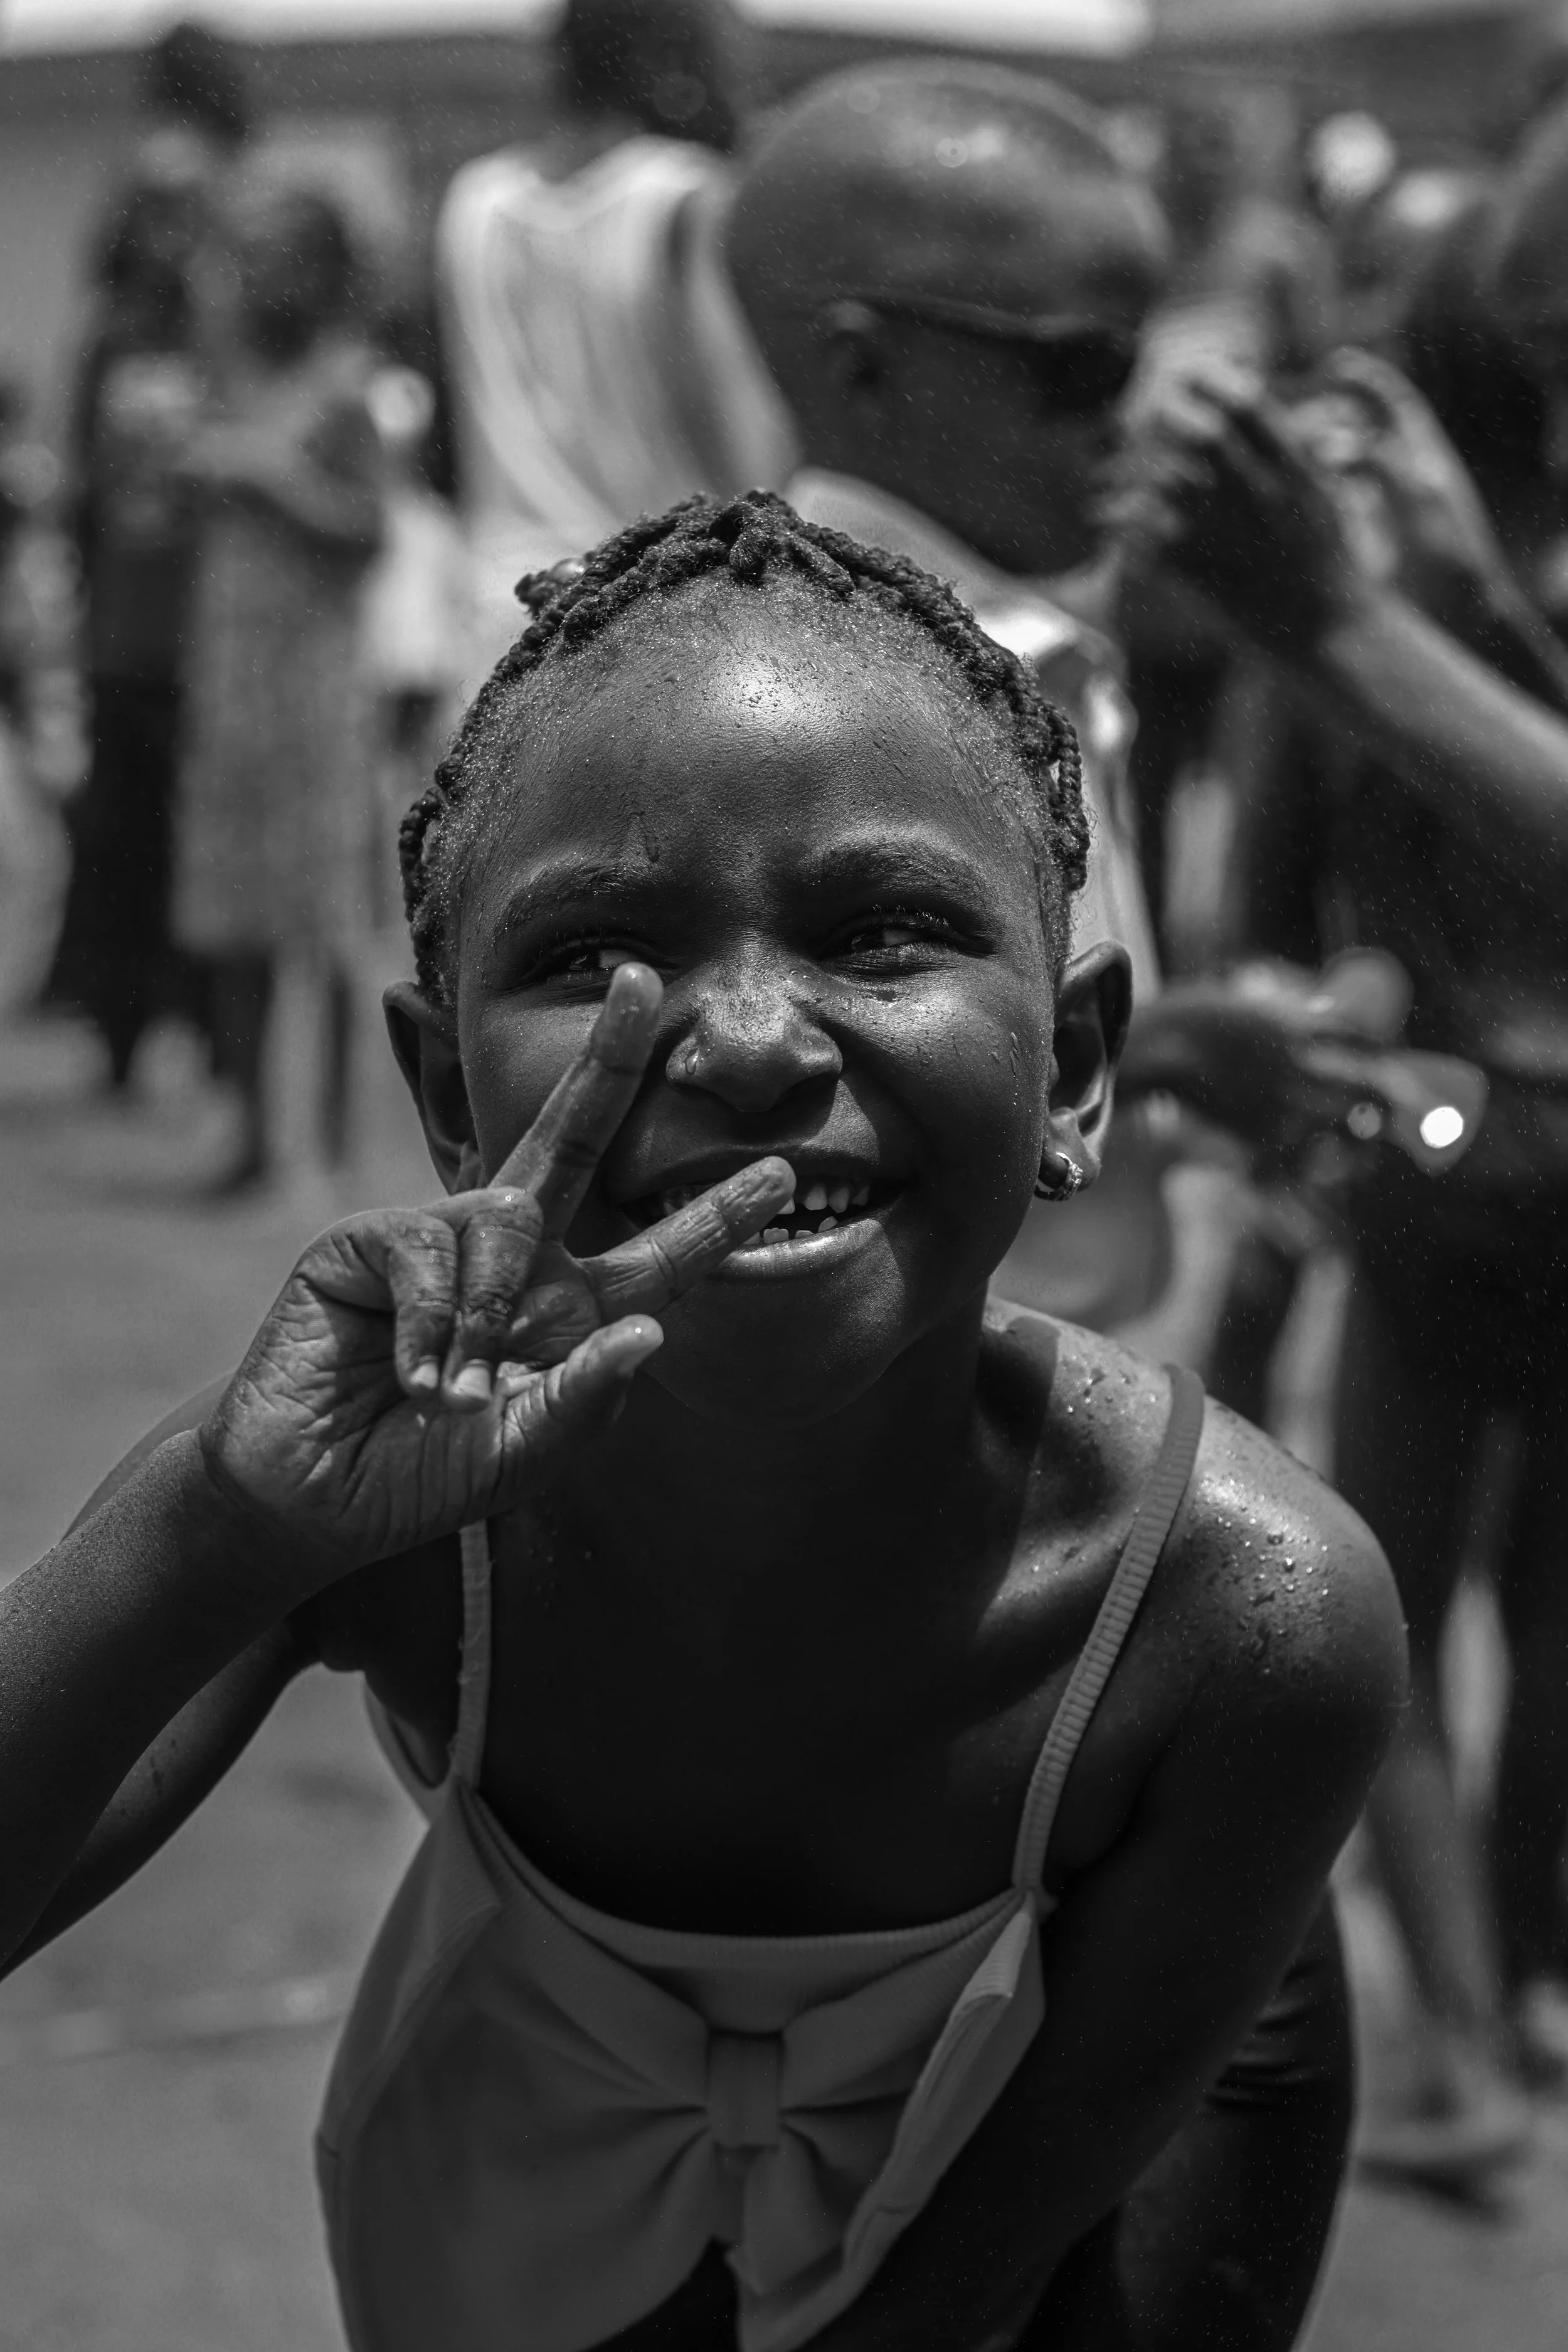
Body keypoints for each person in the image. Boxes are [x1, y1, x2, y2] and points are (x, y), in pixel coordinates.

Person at [0, 492, 1402, 2350]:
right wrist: (213, 1524)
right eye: (593, 955)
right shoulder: (397, 1488)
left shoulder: (1240, 1614)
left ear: (1071, 1069)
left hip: (1105, 2103)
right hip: (545, 2120)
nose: (746, 1043)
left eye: (885, 931)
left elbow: (970, 2264)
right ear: (444, 1091)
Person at [1128, 244, 1568, 2172]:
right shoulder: (1494, 625)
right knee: (1551, 1599)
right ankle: (1533, 1978)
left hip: (1439, 1162)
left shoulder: (1320, 651)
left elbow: (1259, 938)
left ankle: (1463, 2042)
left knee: (1386, 1606)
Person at [723, 62, 1218, 1350]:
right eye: (1077, 370)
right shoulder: (833, 687)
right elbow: (853, 1078)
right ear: (862, 367)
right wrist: (1172, 1052)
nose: (1129, 419)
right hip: (954, 1395)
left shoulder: (1031, 642)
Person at [438, 0, 795, 667]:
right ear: (672, 54)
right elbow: (736, 437)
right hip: (657, 606)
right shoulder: (681, 198)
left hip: (507, 609)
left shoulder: (474, 200)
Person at [45, 24, 251, 1086]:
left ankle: (213, 1037)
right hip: (135, 632)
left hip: (201, 632)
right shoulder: (117, 348)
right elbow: (84, 484)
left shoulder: (218, 348)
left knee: (186, 834)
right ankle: (125, 1029)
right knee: (130, 831)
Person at [173, 182, 383, 1191]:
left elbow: (370, 532)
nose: (245, 279)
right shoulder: (228, 379)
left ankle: (330, 1143)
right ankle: (252, 1132)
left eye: (262, 259)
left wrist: (271, 482)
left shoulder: (343, 388)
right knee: (236, 925)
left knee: (326, 924)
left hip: (316, 688)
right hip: (232, 682)